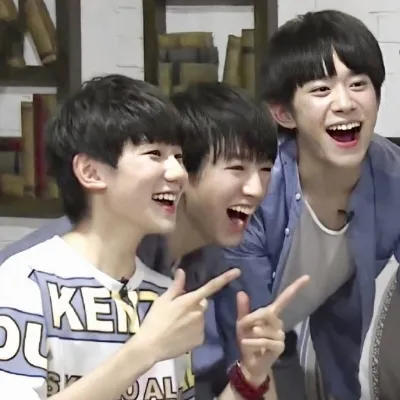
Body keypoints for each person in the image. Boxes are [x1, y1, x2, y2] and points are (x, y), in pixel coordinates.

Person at [0, 79, 308, 399]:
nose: (177, 173)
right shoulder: (26, 279)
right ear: (91, 172)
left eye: (178, 158)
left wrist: (250, 374)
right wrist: (145, 350)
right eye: (155, 155)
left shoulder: (167, 290)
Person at [218, 9, 400, 400]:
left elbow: (339, 323)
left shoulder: (391, 177)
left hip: (284, 342)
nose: (345, 103)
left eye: (359, 84)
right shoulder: (258, 191)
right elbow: (248, 333)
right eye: (321, 90)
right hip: (215, 352)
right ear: (283, 113)